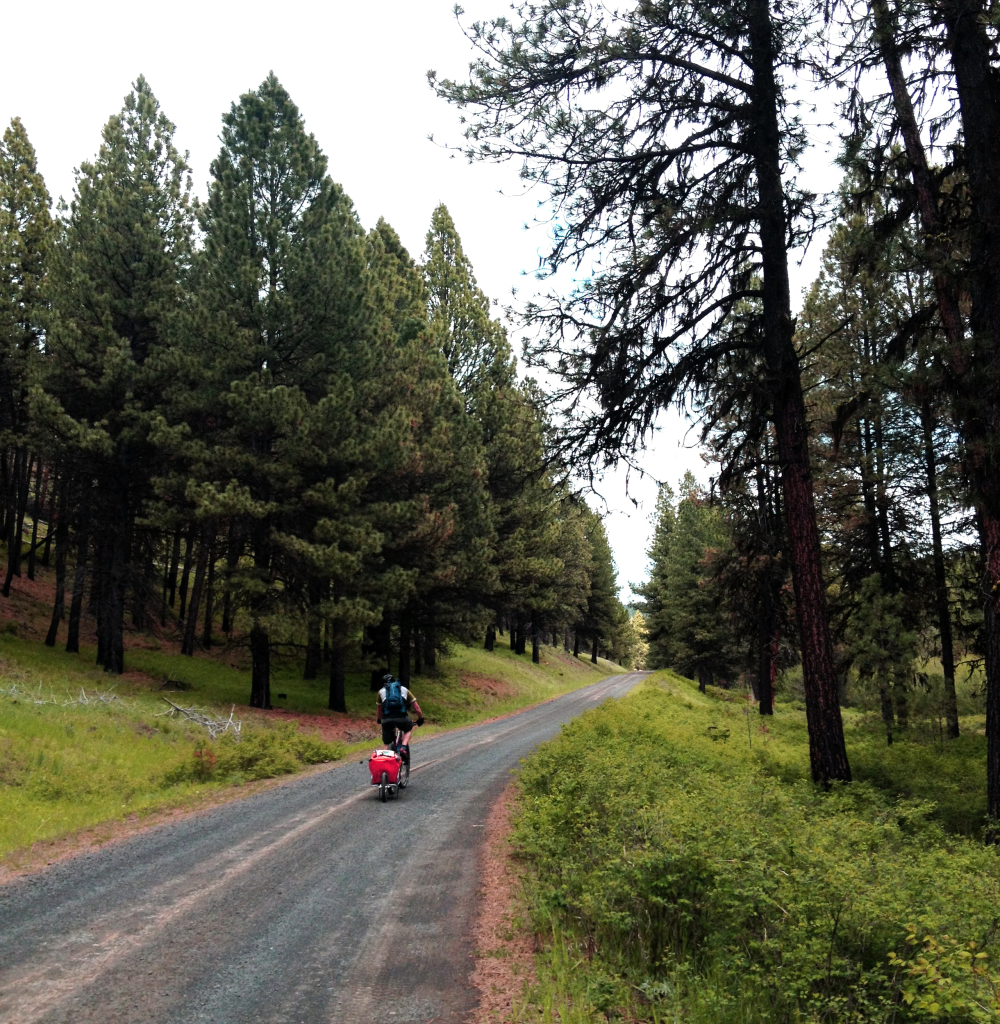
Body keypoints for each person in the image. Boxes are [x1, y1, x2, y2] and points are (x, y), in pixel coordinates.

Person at [376, 673, 423, 763]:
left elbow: (379, 709)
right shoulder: (404, 689)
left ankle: (385, 763)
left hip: (386, 719)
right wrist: (421, 718)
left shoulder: (381, 692)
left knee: (387, 743)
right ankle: (403, 747)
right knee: (408, 729)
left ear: (384, 684)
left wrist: (379, 719)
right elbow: (416, 707)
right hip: (401, 718)